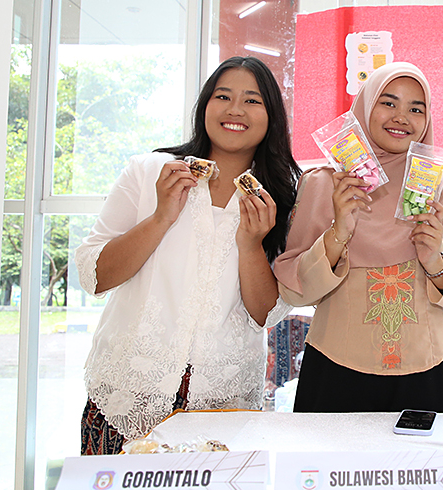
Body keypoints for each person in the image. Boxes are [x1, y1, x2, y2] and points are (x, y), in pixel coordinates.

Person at [74, 56, 301, 454]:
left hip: (222, 404)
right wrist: (161, 216)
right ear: (204, 106)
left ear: (272, 117)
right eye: (223, 96)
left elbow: (265, 314)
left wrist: (251, 245)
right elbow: (95, 277)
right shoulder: (150, 172)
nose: (235, 109)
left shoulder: (282, 198)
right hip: (127, 395)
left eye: (252, 100)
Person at [273, 61, 443, 413]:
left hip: (430, 370)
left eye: (416, 109)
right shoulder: (324, 186)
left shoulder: (440, 189)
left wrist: (435, 261)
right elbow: (293, 291)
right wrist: (338, 233)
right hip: (335, 370)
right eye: (388, 103)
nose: (401, 117)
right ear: (366, 106)